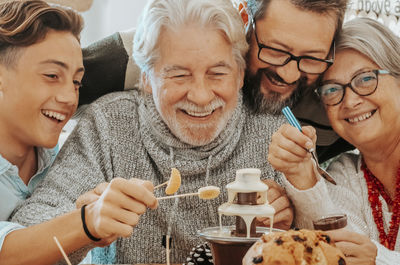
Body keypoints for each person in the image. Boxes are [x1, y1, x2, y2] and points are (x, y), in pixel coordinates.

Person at [11, 0, 293, 263]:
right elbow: (31, 228)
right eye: (179, 74)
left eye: (217, 73)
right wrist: (85, 225)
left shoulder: (274, 132)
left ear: (242, 73)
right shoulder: (109, 125)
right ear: (146, 77)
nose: (201, 96)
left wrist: (291, 219)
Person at [78, 0, 352, 163]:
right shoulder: (156, 48)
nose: (289, 75)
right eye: (276, 51)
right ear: (245, 21)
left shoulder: (341, 100)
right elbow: (43, 87)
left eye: (312, 58)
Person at [0, 1, 157, 265]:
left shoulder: (66, 160)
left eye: (77, 82)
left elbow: (156, 52)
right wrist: (85, 221)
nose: (69, 98)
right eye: (51, 75)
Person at [268, 17, 400, 264]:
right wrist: (303, 176)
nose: (349, 102)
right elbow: (339, 249)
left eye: (365, 79)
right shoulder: (346, 174)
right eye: (332, 90)